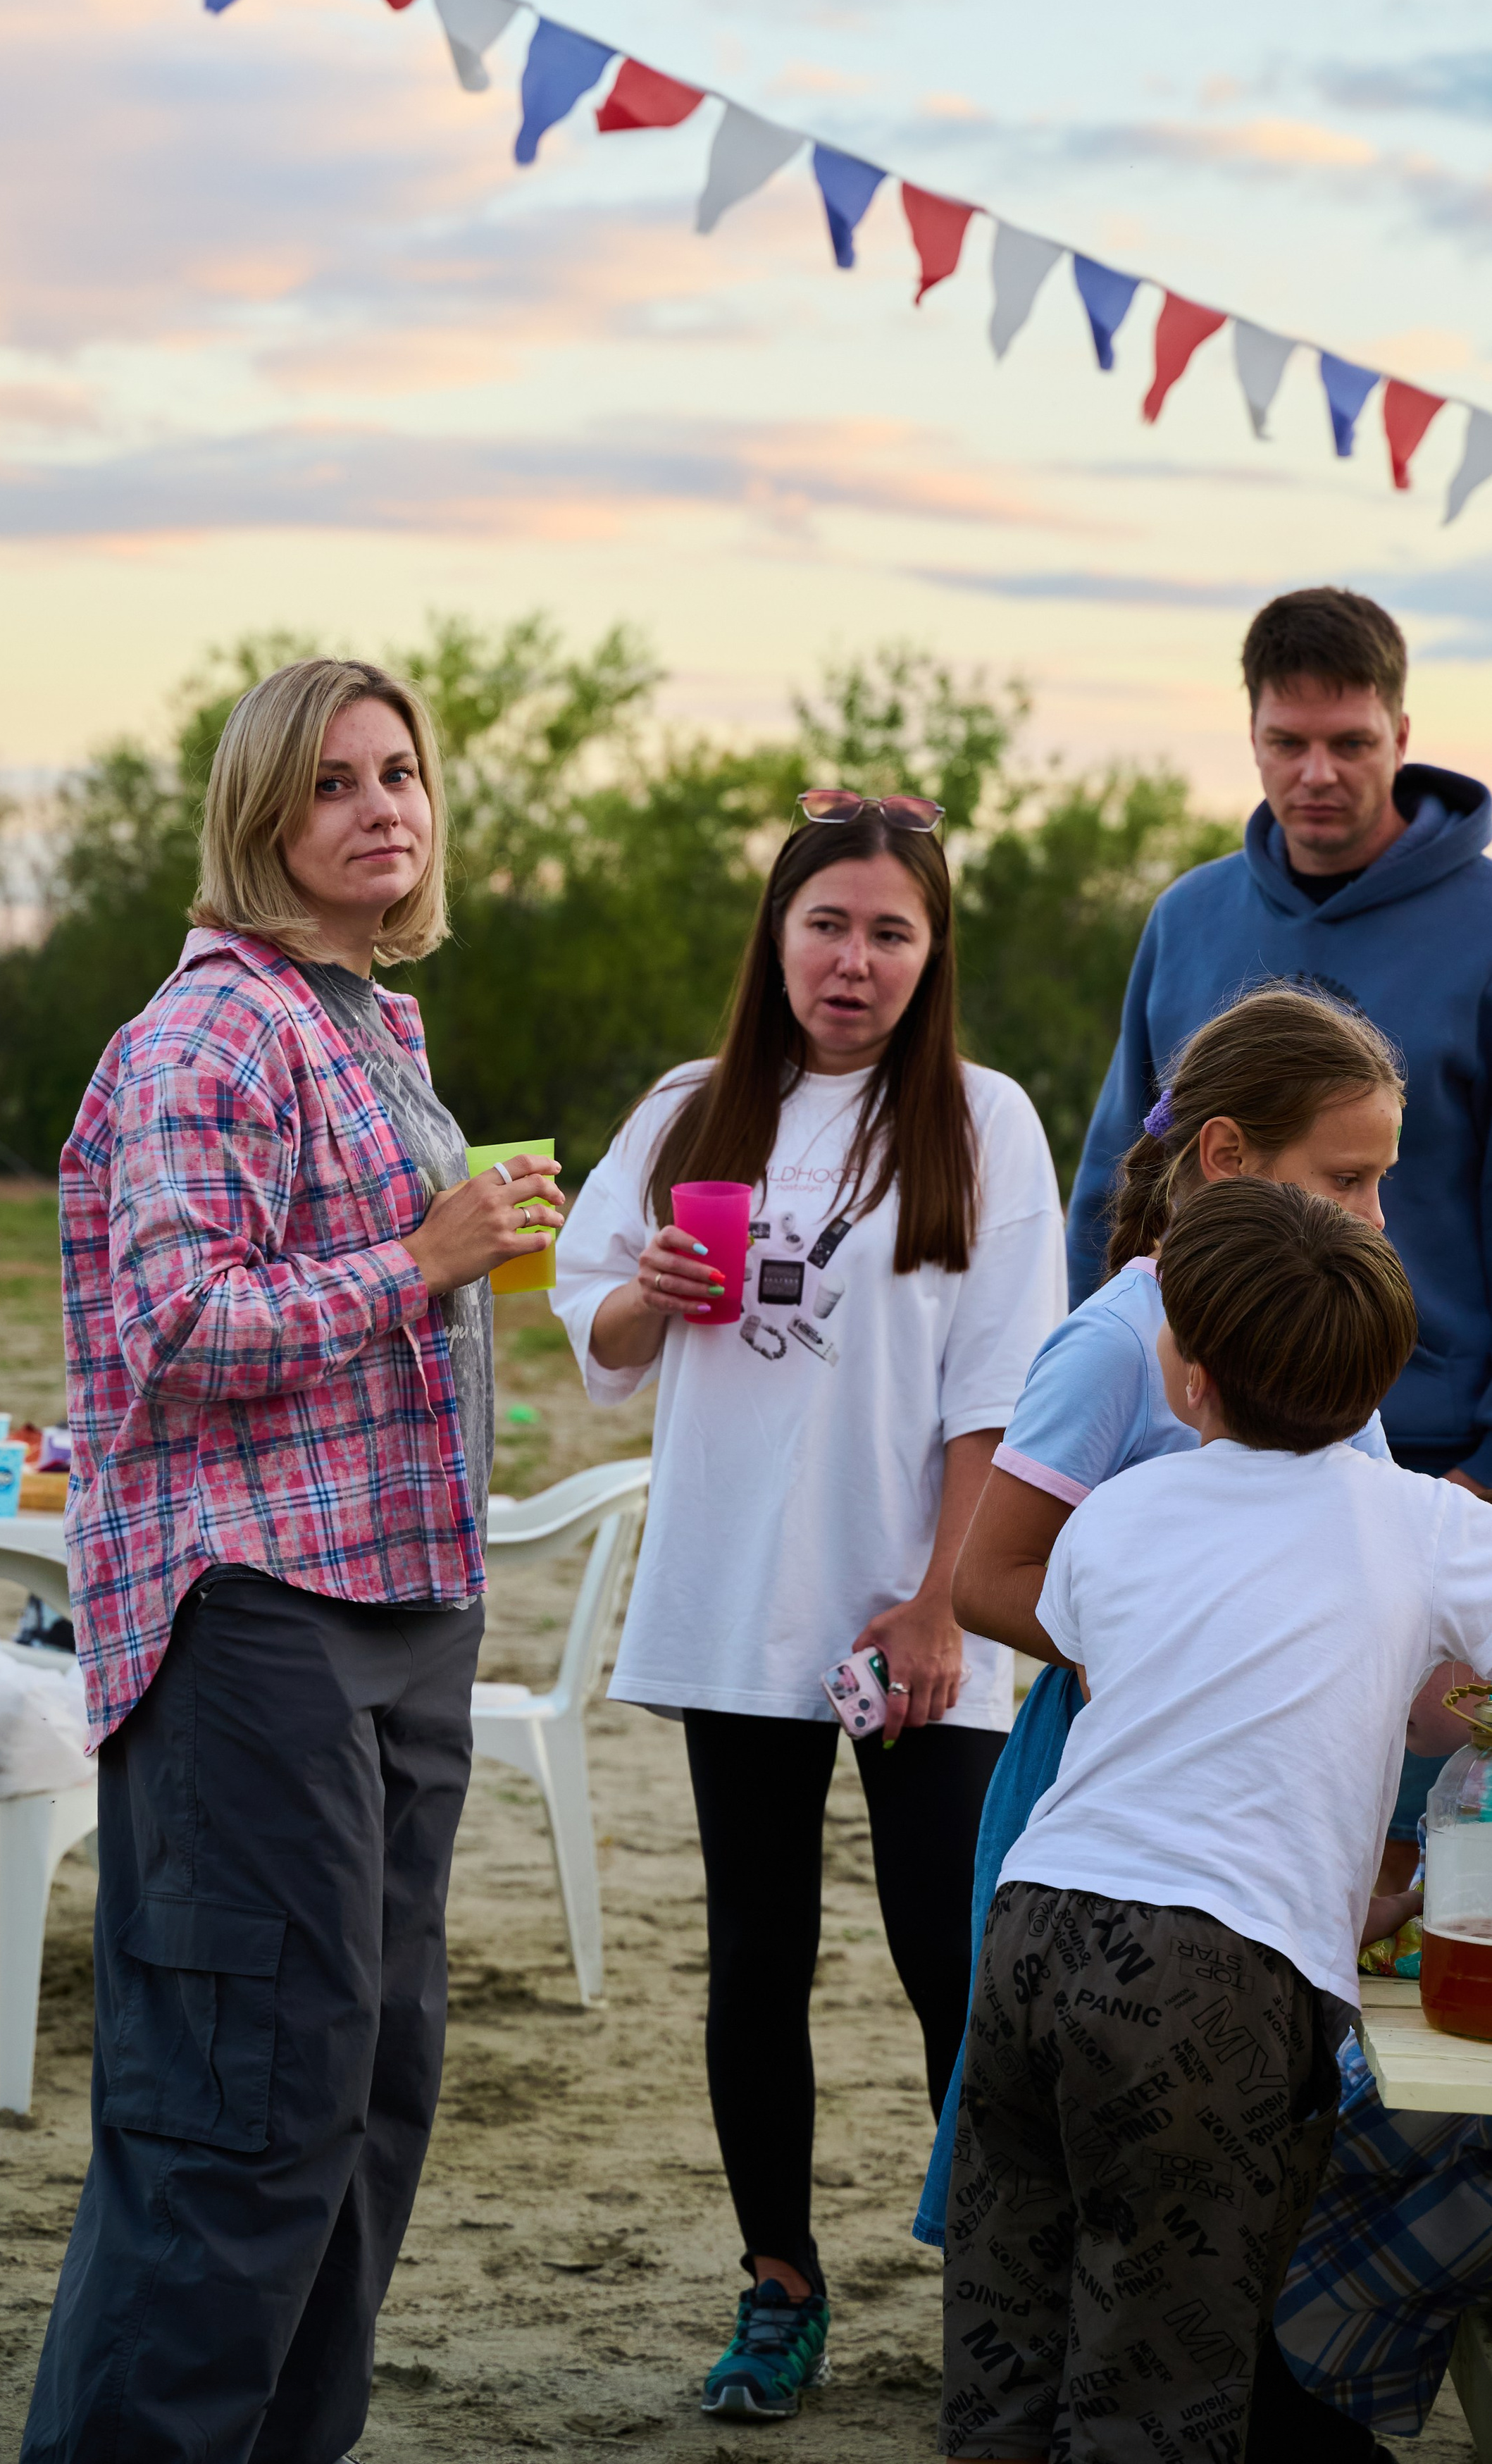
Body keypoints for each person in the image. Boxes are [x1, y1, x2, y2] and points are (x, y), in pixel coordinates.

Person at [21, 657, 564, 2464]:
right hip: (254, 1623)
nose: (379, 808)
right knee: (240, 2115)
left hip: (402, 1611)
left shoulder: (362, 1027)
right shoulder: (209, 1035)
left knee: (365, 2096)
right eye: (332, 783)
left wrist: (456, 1254)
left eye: (399, 772)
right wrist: (423, 1259)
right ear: (263, 818)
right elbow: (178, 1329)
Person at [552, 790, 1066, 2423]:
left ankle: (996, 2301)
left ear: (931, 954)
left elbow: (1000, 1392)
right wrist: (650, 1291)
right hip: (733, 1598)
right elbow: (599, 1337)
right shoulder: (687, 1111)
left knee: (950, 1957)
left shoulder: (982, 1122)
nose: (853, 961)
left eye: (889, 931)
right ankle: (778, 2282)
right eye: (826, 924)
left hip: (916, 1612)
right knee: (754, 1959)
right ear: (774, 938)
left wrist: (937, 1603)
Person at [941, 1179, 1492, 2464]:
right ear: (1379, 1383)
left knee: (1009, 2336)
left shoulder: (1116, 1516)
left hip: (1034, 1933)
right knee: (1162, 2373)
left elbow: (1176, 1710)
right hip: (1211, 1988)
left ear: (1185, 1378)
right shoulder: (1420, 1521)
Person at [914, 984, 1404, 2251]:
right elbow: (989, 1579)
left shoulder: (1324, 1331)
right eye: (1344, 1180)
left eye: (1379, 1183)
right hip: (1110, 1787)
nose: (1372, 1216)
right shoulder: (1118, 1345)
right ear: (1229, 1156)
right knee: (1065, 2176)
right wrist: (1184, 1655)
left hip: (1274, 1795)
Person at [1068, 585, 1492, 1500]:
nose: (1317, 774)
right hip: (1193, 1445)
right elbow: (1116, 1181)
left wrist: (1479, 1484)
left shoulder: (1486, 929)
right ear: (1252, 735)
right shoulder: (1187, 918)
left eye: (1350, 743)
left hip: (1430, 1459)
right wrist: (1103, 1398)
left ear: (1403, 735)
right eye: (1287, 743)